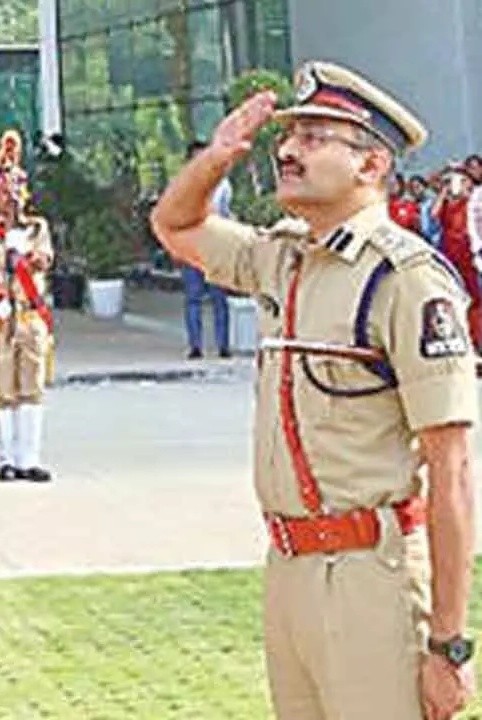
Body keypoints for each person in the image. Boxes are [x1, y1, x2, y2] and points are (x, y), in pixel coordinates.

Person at [151, 60, 477, 720]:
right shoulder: (283, 255)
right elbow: (175, 226)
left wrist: (449, 642)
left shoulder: (405, 279)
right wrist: (218, 157)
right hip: (290, 566)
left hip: (371, 576)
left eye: (317, 135)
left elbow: (453, 466)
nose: (290, 150)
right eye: (289, 135)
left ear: (372, 164)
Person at [0, 130, 54, 483]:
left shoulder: (38, 227)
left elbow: (46, 259)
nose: (13, 197)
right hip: (2, 315)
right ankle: (6, 458)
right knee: (4, 388)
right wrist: (6, 258)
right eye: (7, 190)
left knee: (32, 385)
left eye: (18, 189)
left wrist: (30, 256)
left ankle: (29, 458)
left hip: (31, 313)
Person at [178, 140, 233, 359]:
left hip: (215, 246)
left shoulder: (222, 184)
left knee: (219, 297)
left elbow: (225, 213)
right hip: (192, 246)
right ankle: (195, 345)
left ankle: (223, 345)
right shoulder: (181, 186)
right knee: (193, 297)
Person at [433, 167, 482, 352]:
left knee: (476, 299)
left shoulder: (473, 203)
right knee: (455, 299)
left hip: (470, 257)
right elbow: (433, 214)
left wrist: (465, 179)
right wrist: (445, 190)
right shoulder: (449, 205)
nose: (458, 186)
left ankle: (477, 339)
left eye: (463, 182)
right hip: (451, 257)